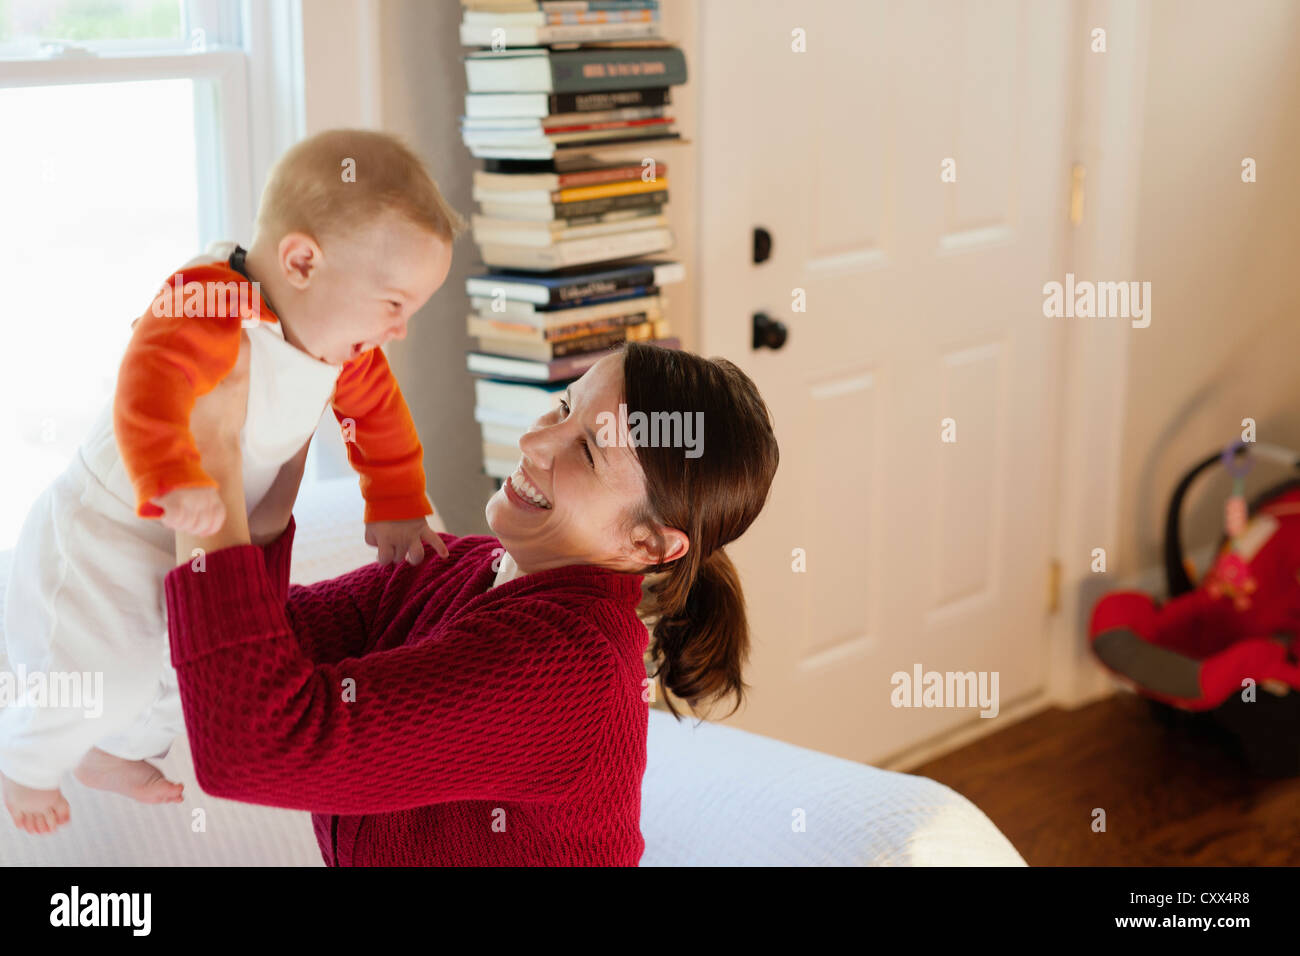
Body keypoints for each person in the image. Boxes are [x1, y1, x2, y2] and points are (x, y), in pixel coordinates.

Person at [1, 129, 464, 835]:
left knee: (170, 670)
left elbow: (381, 422)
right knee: (99, 673)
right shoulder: (211, 299)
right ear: (302, 261)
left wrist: (398, 503)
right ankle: (22, 763)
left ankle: (103, 754)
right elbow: (147, 381)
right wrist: (171, 473)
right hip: (106, 528)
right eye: (393, 304)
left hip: (182, 540)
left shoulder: (341, 350)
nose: (399, 330)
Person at [162, 340, 779, 865]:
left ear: (647, 542)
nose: (536, 441)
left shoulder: (571, 670)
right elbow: (257, 657)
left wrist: (209, 460)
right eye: (564, 407)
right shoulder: (460, 566)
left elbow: (253, 745)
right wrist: (267, 510)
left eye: (589, 452)